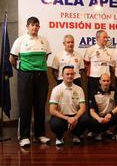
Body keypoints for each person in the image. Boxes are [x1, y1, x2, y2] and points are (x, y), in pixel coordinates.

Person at [9, 17, 51, 147]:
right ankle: (24, 137)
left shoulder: (44, 40)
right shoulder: (20, 40)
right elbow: (12, 59)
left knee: (40, 106)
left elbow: (46, 56)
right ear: (27, 26)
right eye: (32, 25)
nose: (35, 28)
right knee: (25, 106)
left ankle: (40, 135)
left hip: (41, 76)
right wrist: (22, 70)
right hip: (25, 76)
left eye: (37, 25)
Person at [49, 66, 89, 146]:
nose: (70, 76)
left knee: (86, 119)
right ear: (62, 75)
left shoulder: (79, 89)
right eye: (67, 74)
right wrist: (68, 118)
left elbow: (83, 108)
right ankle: (60, 137)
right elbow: (52, 110)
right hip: (62, 117)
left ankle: (76, 135)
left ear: (74, 75)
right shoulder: (56, 89)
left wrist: (75, 118)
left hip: (75, 116)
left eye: (71, 74)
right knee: (55, 124)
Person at [89, 73, 117, 141]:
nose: (106, 83)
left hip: (110, 116)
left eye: (107, 81)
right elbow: (91, 111)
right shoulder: (94, 92)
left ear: (110, 81)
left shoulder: (115, 90)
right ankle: (99, 132)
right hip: (99, 118)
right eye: (104, 81)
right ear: (100, 81)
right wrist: (99, 119)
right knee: (89, 120)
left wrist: (111, 113)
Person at [84, 30, 112, 99]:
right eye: (104, 37)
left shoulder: (110, 51)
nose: (106, 39)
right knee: (92, 99)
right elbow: (86, 63)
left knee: (105, 100)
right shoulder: (90, 49)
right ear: (97, 38)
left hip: (106, 81)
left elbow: (111, 65)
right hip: (94, 79)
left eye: (107, 38)